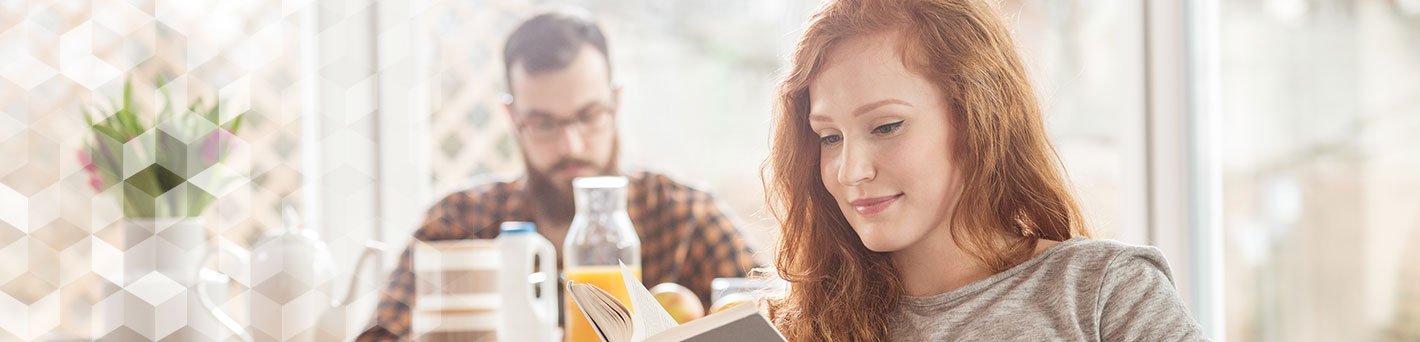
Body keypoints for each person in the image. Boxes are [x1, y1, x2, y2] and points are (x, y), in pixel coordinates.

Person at [759, 0, 1207, 340]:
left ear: (979, 119)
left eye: (887, 127)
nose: (850, 171)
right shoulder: (794, 326)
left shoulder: (1106, 291)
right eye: (829, 138)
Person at [356, 7, 758, 341]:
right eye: (544, 124)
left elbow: (782, 321)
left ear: (615, 103)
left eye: (588, 116)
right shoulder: (458, 223)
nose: (572, 145)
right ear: (513, 119)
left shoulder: (686, 215)